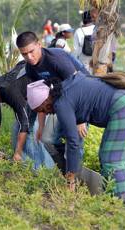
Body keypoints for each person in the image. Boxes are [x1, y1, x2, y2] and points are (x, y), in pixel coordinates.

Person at [26, 75, 125, 202]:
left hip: (123, 107)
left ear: (46, 100)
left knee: (112, 159)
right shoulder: (64, 89)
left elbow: (73, 141)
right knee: (106, 156)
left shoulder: (61, 104)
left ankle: (118, 204)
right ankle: (111, 200)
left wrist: (70, 179)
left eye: (43, 109)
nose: (46, 113)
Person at [16, 31, 90, 173]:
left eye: (31, 51)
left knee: (74, 141)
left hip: (83, 98)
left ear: (39, 44)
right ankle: (66, 173)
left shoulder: (56, 59)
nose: (29, 57)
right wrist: (41, 126)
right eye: (24, 54)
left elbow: (78, 86)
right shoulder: (30, 68)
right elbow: (42, 99)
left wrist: (80, 120)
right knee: (48, 139)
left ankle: (75, 181)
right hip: (62, 100)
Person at [0, 61, 55, 170]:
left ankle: (40, 170)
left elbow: (24, 124)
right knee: (20, 130)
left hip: (39, 93)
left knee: (26, 131)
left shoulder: (9, 92)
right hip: (28, 93)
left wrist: (18, 152)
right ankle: (36, 167)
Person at [90, 7, 117, 73]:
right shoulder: (96, 28)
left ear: (99, 16)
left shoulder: (104, 29)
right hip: (98, 61)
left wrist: (108, 61)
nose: (92, 19)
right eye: (91, 17)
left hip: (102, 62)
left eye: (93, 17)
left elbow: (111, 50)